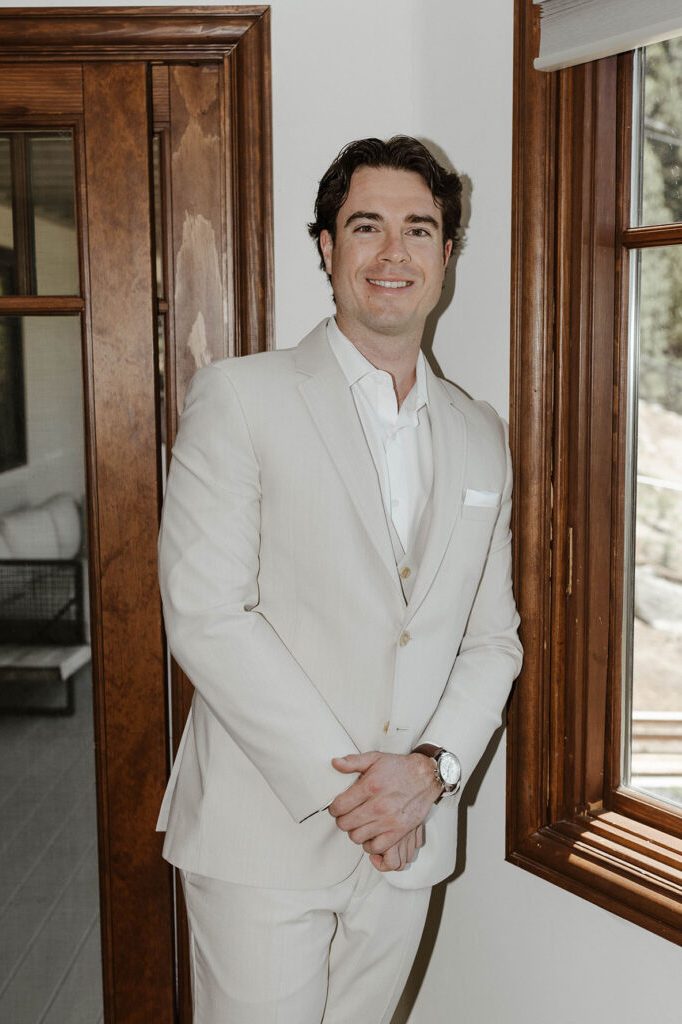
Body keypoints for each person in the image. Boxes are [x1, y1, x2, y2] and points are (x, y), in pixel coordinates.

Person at [156, 136, 522, 1024]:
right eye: (367, 226)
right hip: (263, 839)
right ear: (326, 248)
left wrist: (430, 773)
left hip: (410, 841)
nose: (393, 253)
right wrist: (360, 797)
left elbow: (490, 639)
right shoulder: (240, 398)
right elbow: (207, 615)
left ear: (445, 256)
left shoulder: (481, 434)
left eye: (419, 230)